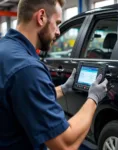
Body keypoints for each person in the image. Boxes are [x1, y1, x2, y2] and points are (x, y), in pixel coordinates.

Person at [0, 0, 108, 150]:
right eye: (57, 23)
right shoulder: (27, 69)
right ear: (41, 17)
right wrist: (93, 99)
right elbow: (65, 144)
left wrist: (63, 89)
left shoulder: (6, 49)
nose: (58, 31)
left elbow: (23, 98)